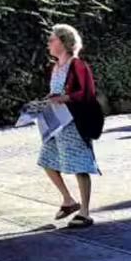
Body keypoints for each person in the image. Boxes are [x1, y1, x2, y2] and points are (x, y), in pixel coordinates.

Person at [35, 24, 102, 228]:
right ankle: (69, 200)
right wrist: (46, 101)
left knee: (80, 166)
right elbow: (58, 92)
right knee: (47, 160)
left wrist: (64, 98)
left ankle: (85, 213)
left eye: (52, 39)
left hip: (74, 123)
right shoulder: (55, 67)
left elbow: (86, 93)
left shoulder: (77, 65)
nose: (49, 43)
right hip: (57, 123)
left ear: (63, 42)